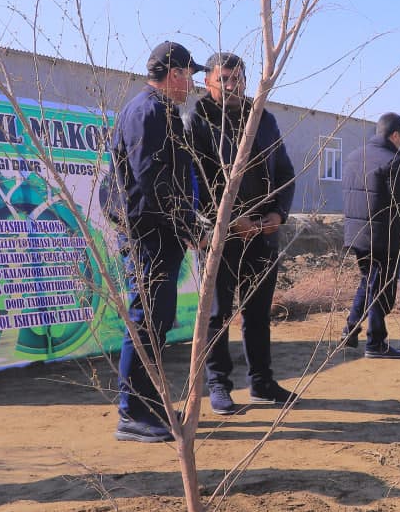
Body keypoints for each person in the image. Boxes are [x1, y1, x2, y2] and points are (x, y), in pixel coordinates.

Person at [106, 41, 205, 443]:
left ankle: (149, 405)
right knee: (146, 321)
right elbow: (153, 180)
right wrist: (189, 227)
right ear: (176, 73)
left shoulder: (159, 110)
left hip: (159, 229)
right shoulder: (149, 112)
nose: (193, 84)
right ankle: (132, 412)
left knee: (157, 321)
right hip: (148, 231)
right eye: (191, 75)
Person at [187, 52, 297, 412]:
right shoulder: (198, 121)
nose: (232, 87)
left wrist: (277, 214)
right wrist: (229, 220)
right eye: (224, 80)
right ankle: (218, 385)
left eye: (238, 79)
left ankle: (262, 383)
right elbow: (195, 184)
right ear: (208, 82)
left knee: (257, 312)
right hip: (222, 235)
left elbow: (284, 171)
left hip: (263, 233)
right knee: (217, 315)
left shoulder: (261, 118)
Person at [340, 113, 400, 359]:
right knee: (382, 288)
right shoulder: (394, 159)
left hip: (356, 234)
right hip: (383, 236)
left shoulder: (353, 156)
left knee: (368, 280)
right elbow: (399, 199)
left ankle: (350, 329)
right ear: (394, 135)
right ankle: (376, 343)